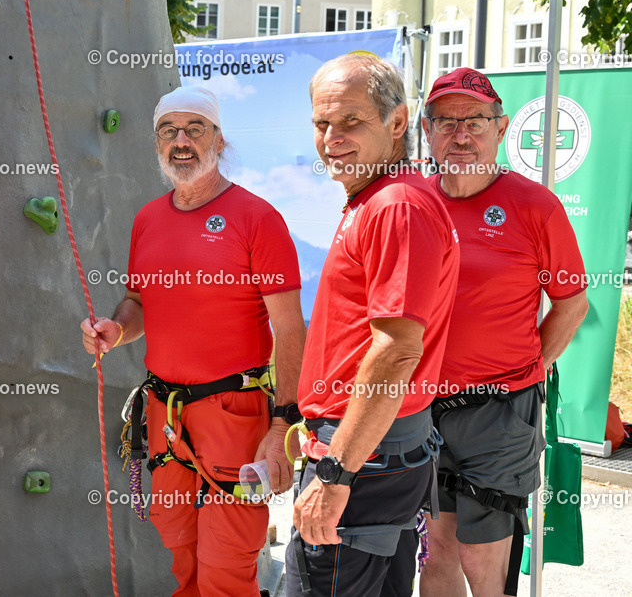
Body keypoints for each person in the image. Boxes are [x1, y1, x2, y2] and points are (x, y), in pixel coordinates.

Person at [79, 85, 307, 596]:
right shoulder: (147, 219)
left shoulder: (258, 218)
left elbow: (291, 329)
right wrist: (116, 329)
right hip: (166, 418)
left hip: (236, 417)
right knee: (182, 558)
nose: (180, 141)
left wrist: (283, 425)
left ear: (219, 140)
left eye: (194, 129)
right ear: (157, 143)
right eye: (168, 131)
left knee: (226, 567)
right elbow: (138, 302)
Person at [286, 53, 460, 596]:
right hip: (377, 450)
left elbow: (396, 351)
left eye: (351, 121)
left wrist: (336, 473)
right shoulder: (381, 199)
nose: (331, 138)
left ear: (398, 122)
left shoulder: (395, 206)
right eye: (321, 123)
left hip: (361, 455)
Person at [419, 68, 588, 597]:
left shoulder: (535, 206)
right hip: (420, 407)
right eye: (446, 123)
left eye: (474, 121)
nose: (460, 135)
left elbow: (572, 304)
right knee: (435, 553)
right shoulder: (412, 201)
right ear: (426, 131)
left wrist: (529, 370)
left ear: (501, 127)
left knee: (482, 560)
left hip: (500, 413)